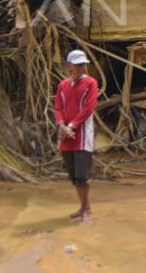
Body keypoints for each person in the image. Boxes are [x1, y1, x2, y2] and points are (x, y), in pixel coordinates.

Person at [54, 49, 99, 223]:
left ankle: (86, 209)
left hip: (82, 136)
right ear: (69, 66)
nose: (81, 67)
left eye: (83, 65)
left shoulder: (90, 83)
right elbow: (58, 107)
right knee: (73, 175)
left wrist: (71, 126)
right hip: (66, 136)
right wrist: (61, 125)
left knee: (82, 176)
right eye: (78, 64)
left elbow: (88, 109)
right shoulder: (63, 85)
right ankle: (84, 207)